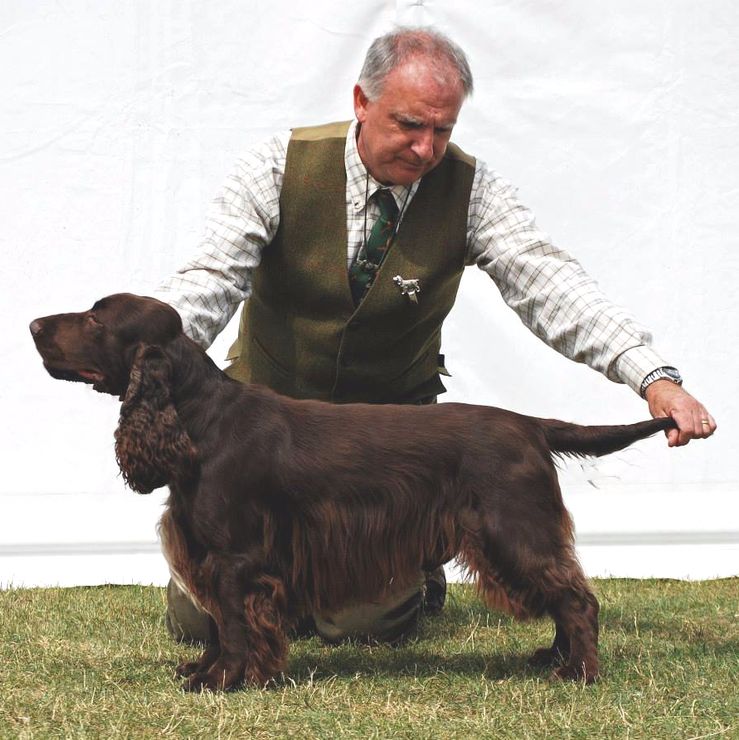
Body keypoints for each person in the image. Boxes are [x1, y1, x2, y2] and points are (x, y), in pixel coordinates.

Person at [157, 27, 716, 645]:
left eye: (443, 130)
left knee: (366, 623)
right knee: (200, 620)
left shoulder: (473, 192)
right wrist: (151, 347)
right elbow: (212, 276)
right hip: (265, 444)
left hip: (386, 453)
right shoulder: (273, 167)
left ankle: (421, 552)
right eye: (409, 126)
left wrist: (652, 376)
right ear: (361, 103)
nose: (426, 149)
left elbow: (551, 284)